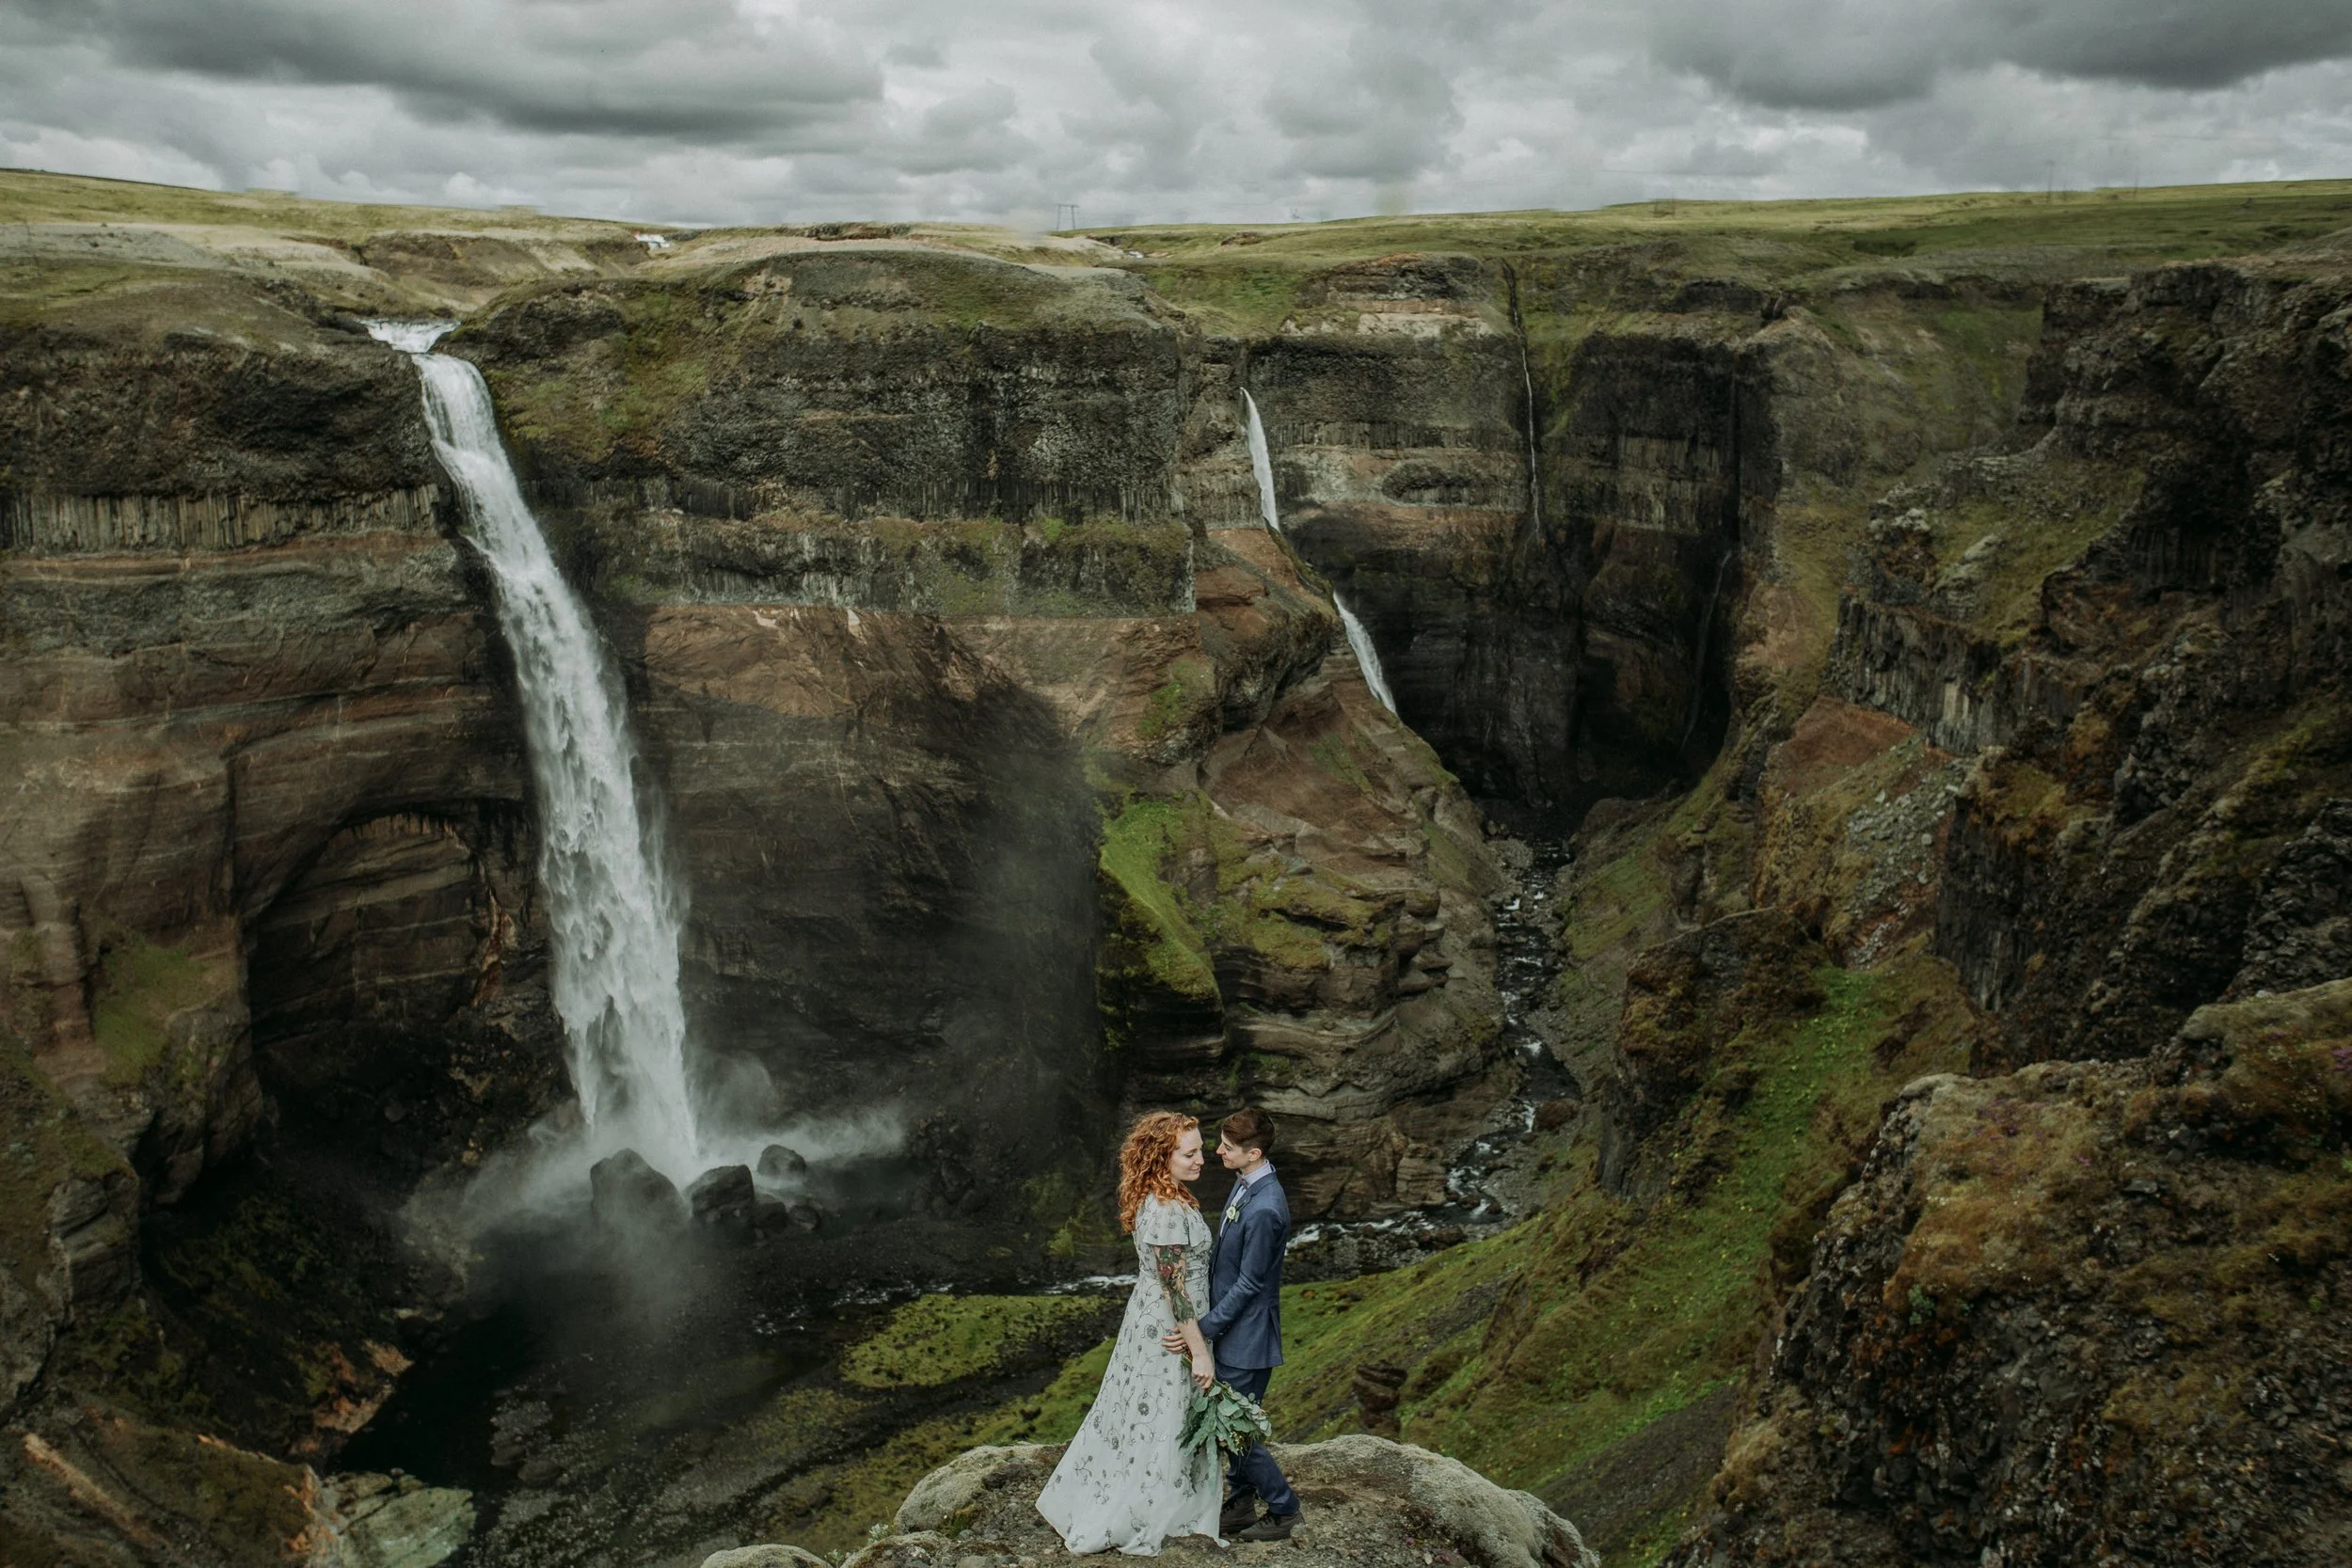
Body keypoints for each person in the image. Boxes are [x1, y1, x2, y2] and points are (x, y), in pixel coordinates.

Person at [1036, 1111, 1222, 1555]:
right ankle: (1151, 1509)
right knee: (1166, 1412)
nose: (1201, 1161)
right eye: (1190, 1153)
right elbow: (1176, 1291)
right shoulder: (1167, 1211)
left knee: (1148, 1414)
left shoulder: (1161, 1197)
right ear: (1162, 1157)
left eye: (1200, 1150)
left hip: (1153, 1316)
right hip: (1172, 1325)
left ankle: (1152, 1497)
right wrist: (1199, 1352)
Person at [1165, 1106, 1301, 1542]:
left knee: (1234, 1429)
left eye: (1226, 1147)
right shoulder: (1247, 1185)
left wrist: (1201, 1329)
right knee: (1229, 1426)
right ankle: (1241, 1503)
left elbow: (1249, 1285)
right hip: (1233, 1333)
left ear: (1254, 1153)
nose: (1216, 1153)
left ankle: (1284, 1509)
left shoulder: (1265, 1209)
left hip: (1247, 1339)